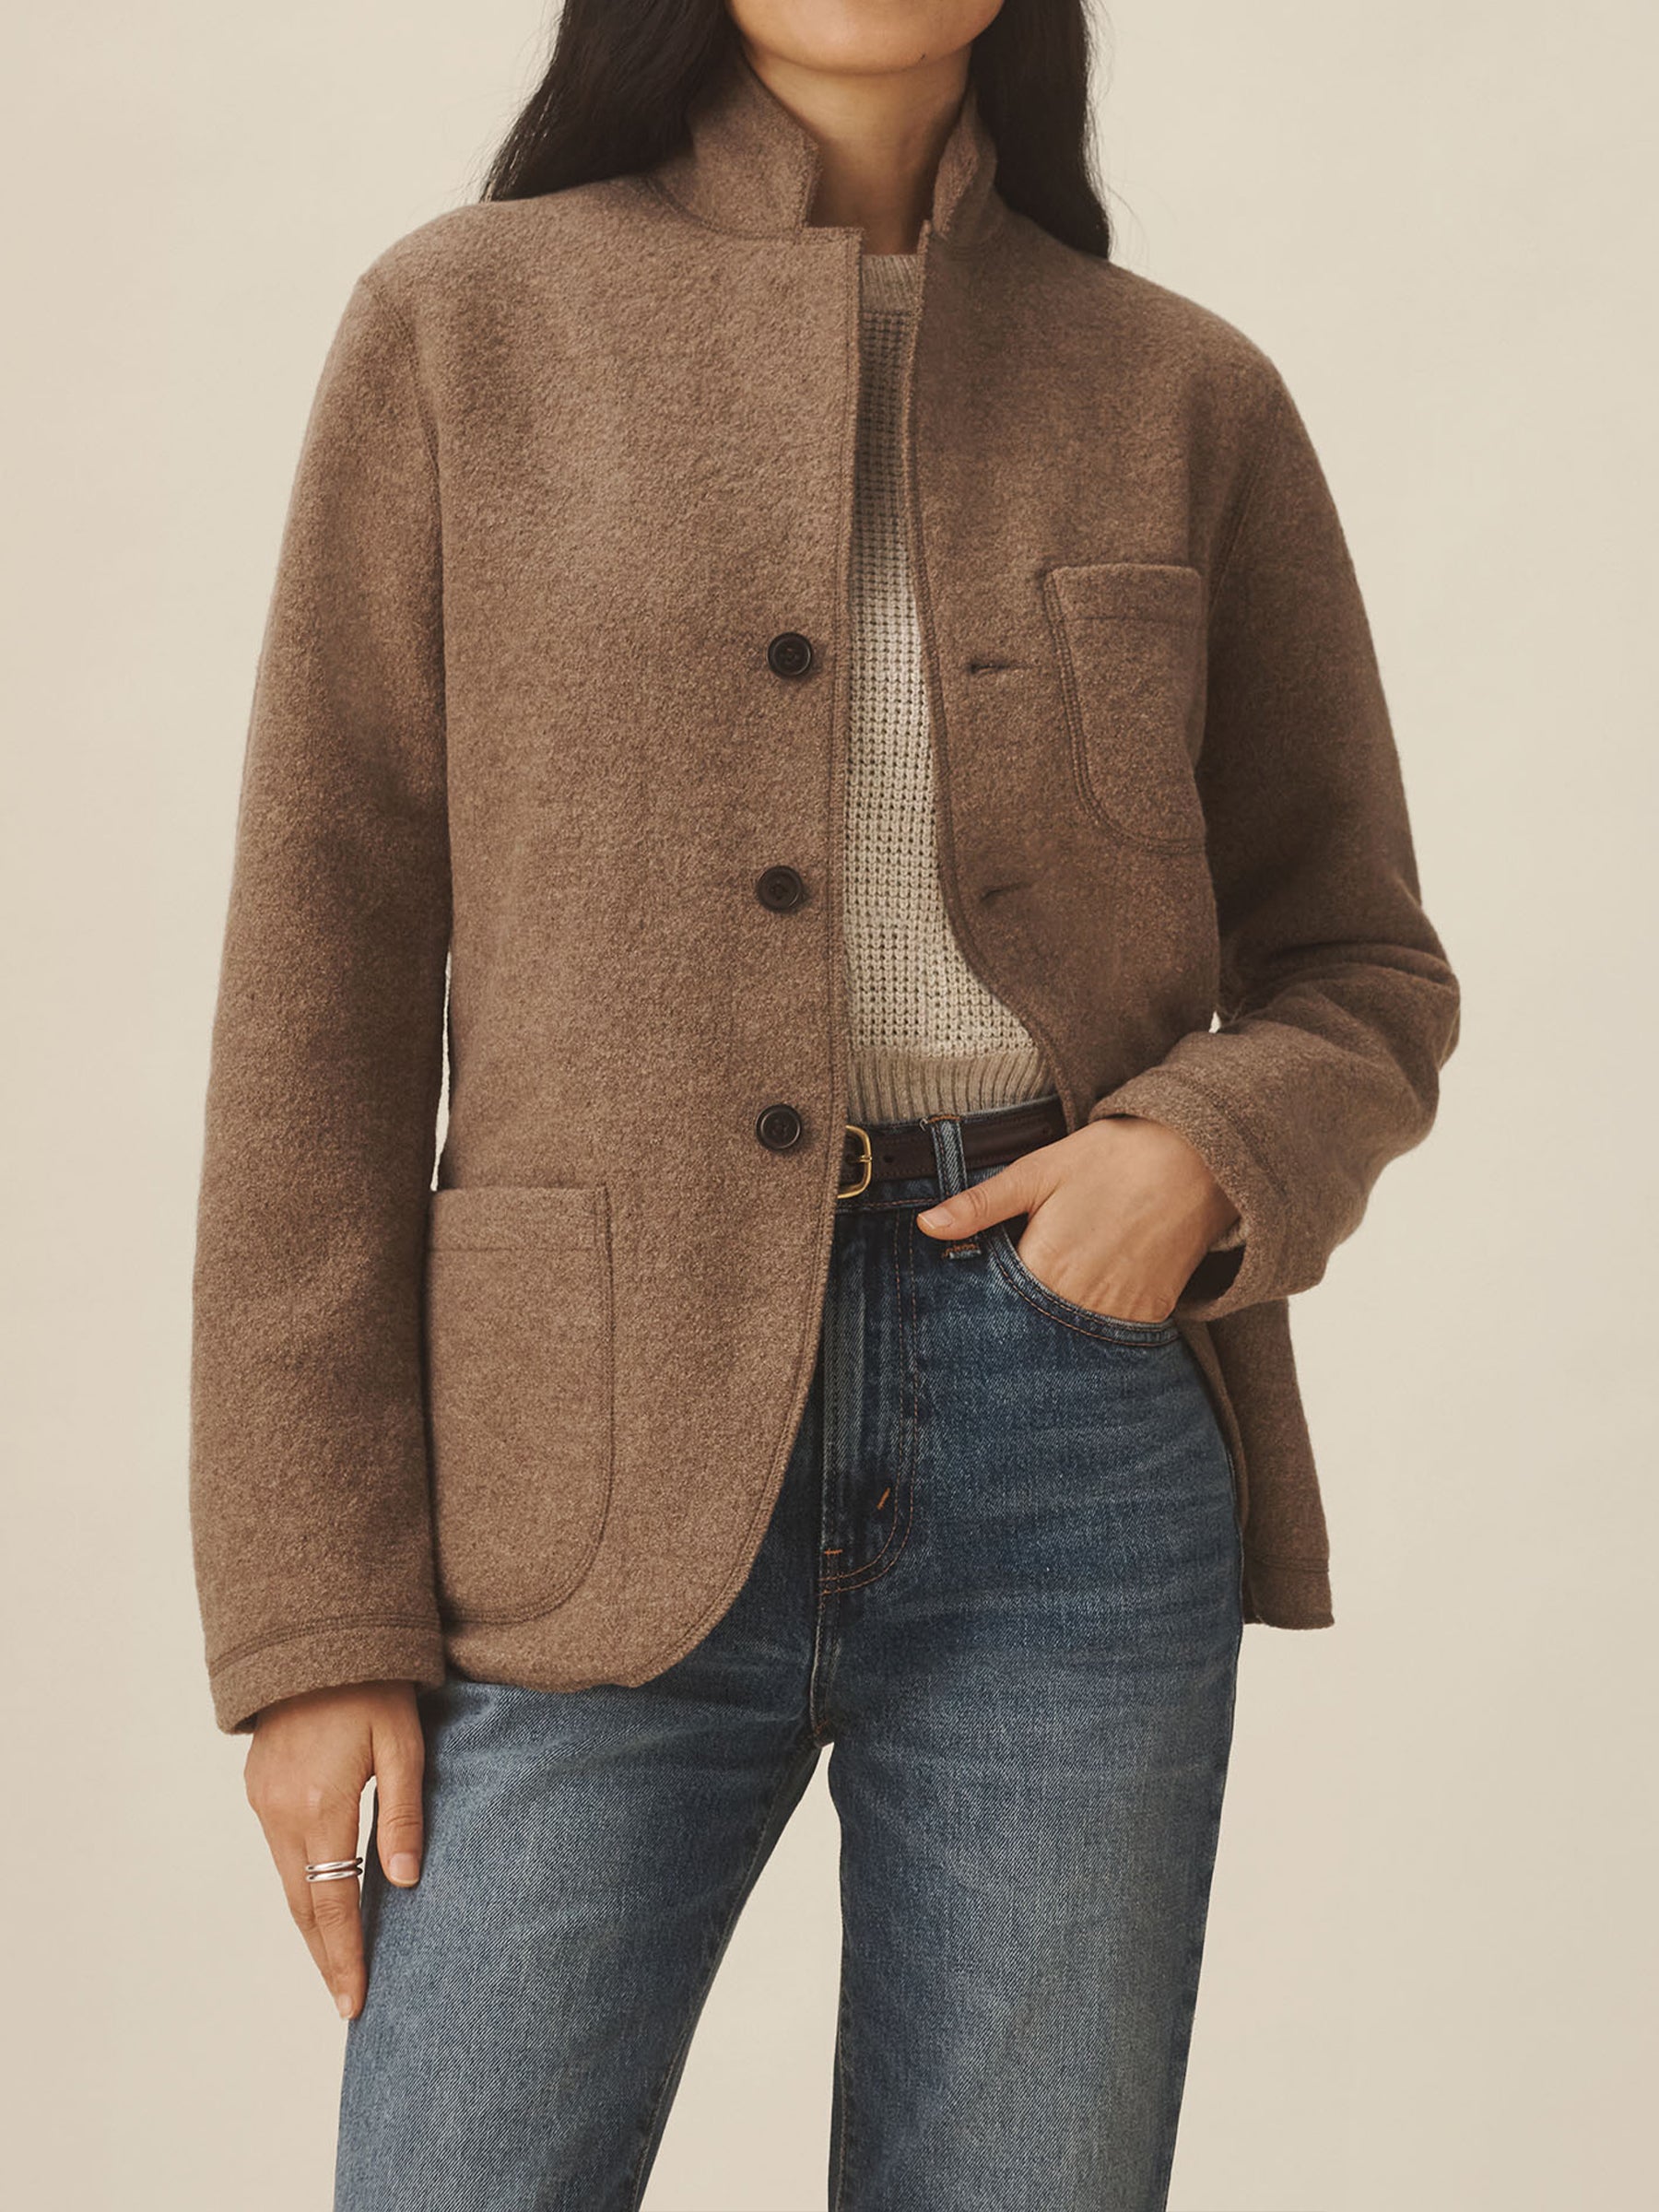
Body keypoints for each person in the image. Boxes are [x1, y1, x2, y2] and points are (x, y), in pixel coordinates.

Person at [187, 3, 1461, 2206]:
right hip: (580, 1458)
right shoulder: (464, 329)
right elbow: (319, 1001)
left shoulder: (1182, 392)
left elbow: (1364, 966)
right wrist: (313, 1627)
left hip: (1074, 1445)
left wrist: (1205, 1150)